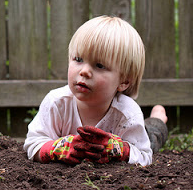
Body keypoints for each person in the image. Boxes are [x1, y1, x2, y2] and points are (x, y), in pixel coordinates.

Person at [23, 15, 168, 167]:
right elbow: (33, 143)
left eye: (99, 65)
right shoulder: (57, 102)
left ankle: (158, 119)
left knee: (152, 137)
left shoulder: (129, 115)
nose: (84, 71)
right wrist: (59, 149)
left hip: (134, 136)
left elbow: (144, 156)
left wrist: (119, 149)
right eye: (78, 59)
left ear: (124, 81)